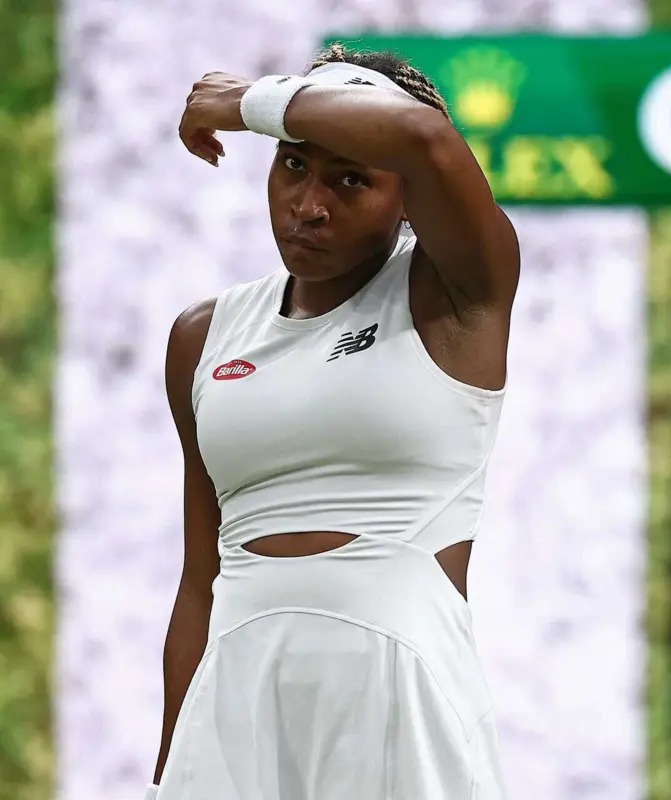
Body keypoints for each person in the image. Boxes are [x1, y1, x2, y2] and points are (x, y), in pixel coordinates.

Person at [148, 43, 519, 800]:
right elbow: (199, 583)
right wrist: (165, 777)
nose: (309, 204)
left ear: (409, 198)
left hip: (398, 687)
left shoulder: (456, 292)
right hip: (237, 696)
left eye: (350, 178)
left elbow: (425, 139)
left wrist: (246, 101)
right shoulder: (203, 336)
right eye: (292, 167)